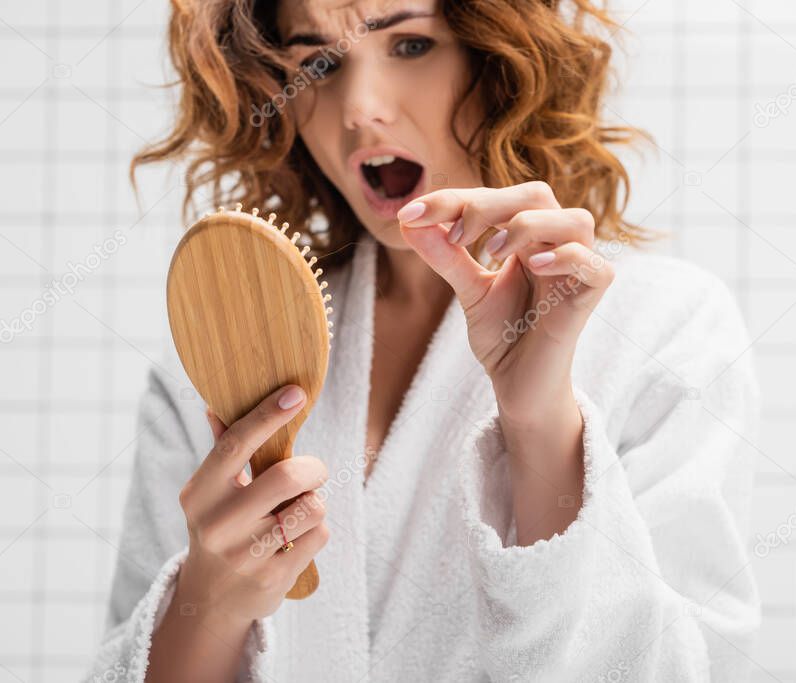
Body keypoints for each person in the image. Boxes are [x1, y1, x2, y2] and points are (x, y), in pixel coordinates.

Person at [85, 1, 760, 680]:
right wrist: (207, 604)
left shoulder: (666, 326)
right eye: (316, 63)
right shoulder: (225, 348)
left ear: (496, 60)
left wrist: (539, 422)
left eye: (410, 46)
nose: (359, 108)